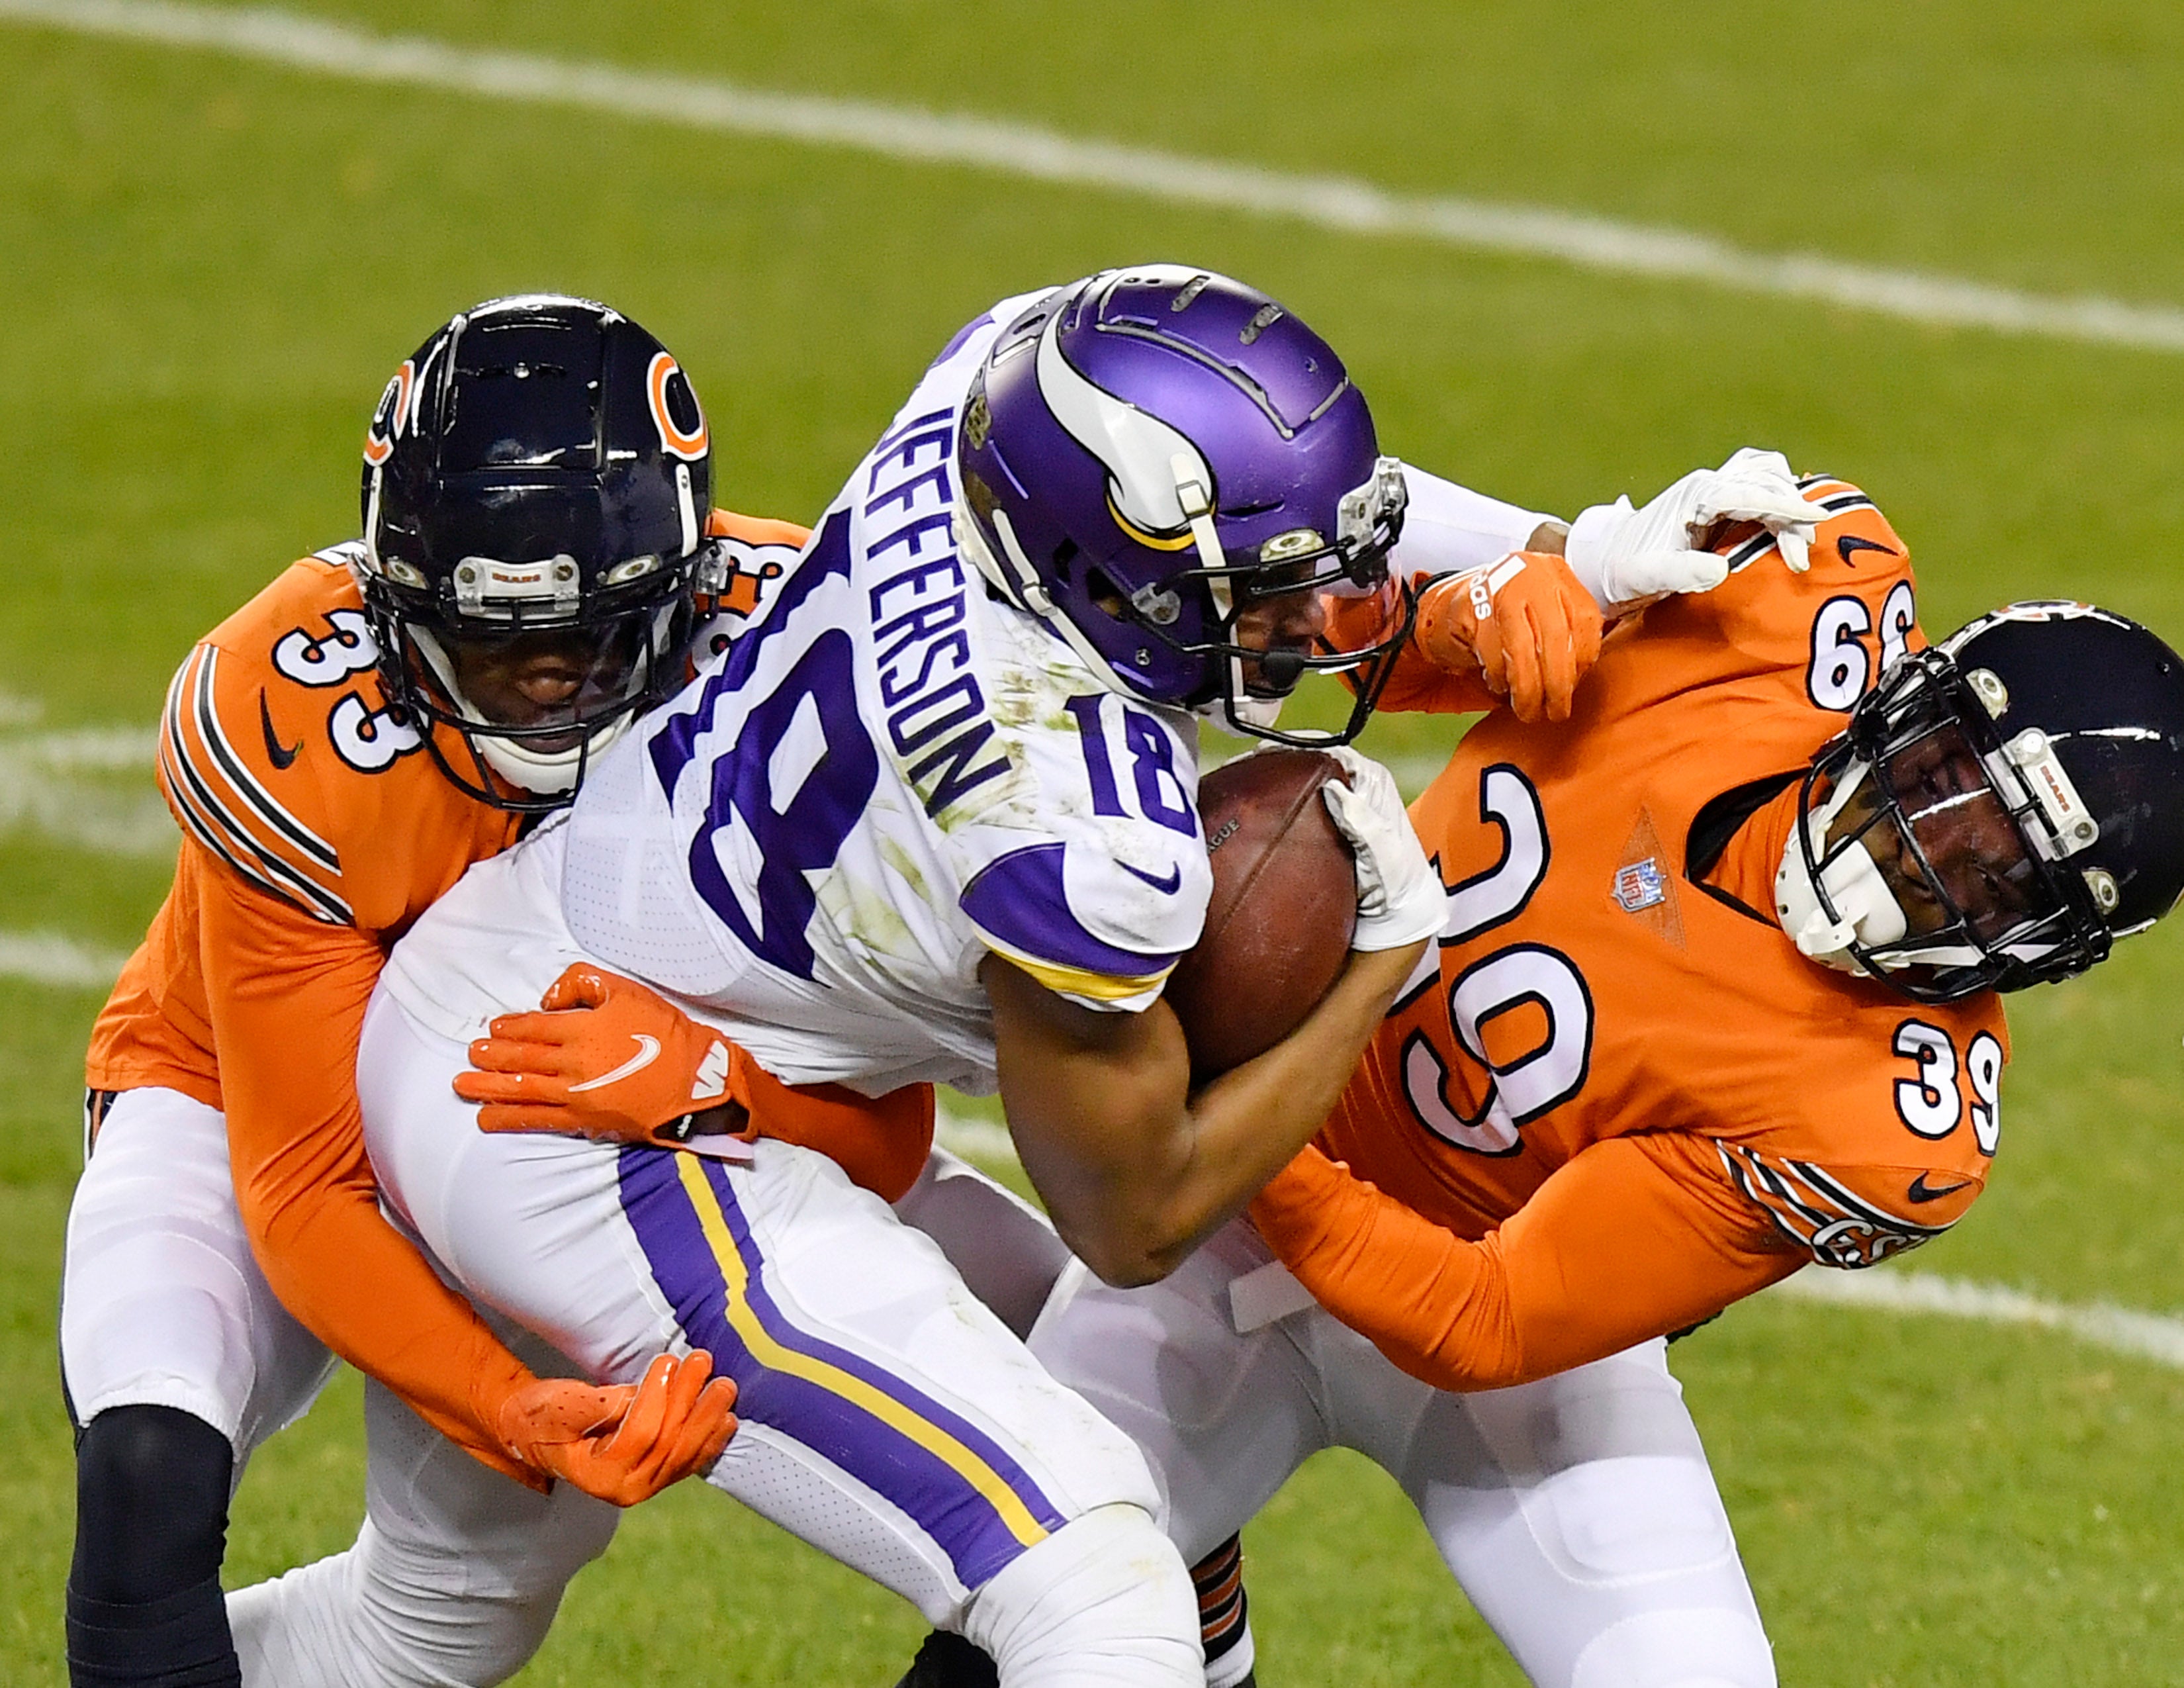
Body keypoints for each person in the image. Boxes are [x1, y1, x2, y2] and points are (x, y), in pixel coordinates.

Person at [224, 266, 1826, 1687]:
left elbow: (1300, 518)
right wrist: (1376, 965)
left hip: (600, 1000)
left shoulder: (998, 394)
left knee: (412, 1636)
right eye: (1258, 599)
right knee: (1091, 1577)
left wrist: (1565, 554)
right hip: (585, 1131)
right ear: (1116, 579)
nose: (1312, 622)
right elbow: (1132, 1222)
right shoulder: (1078, 830)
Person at [996, 486, 2184, 1688]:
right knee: (1031, 1618)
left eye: (1996, 875)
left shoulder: (1890, 1119)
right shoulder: (1780, 607)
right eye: (1941, 776)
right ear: (1906, 694)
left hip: (1492, 1313)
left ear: (2043, 949)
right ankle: (1195, 1596)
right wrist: (1477, 613)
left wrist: (1227, 1113)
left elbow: (1489, 1315)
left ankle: (1181, 1551)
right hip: (1221, 1237)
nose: (1923, 849)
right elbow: (1321, 630)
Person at [61, 292, 891, 1687]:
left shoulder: (799, 655)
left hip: (563, 1119)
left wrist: (725, 1093)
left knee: (441, 1626)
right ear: (396, 604)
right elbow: (306, 1188)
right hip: (249, 1094)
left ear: (682, 595)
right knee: (147, 1470)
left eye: (583, 642)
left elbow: (890, 1115)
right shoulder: (287, 715)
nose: (537, 693)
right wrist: (512, 1407)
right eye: (490, 644)